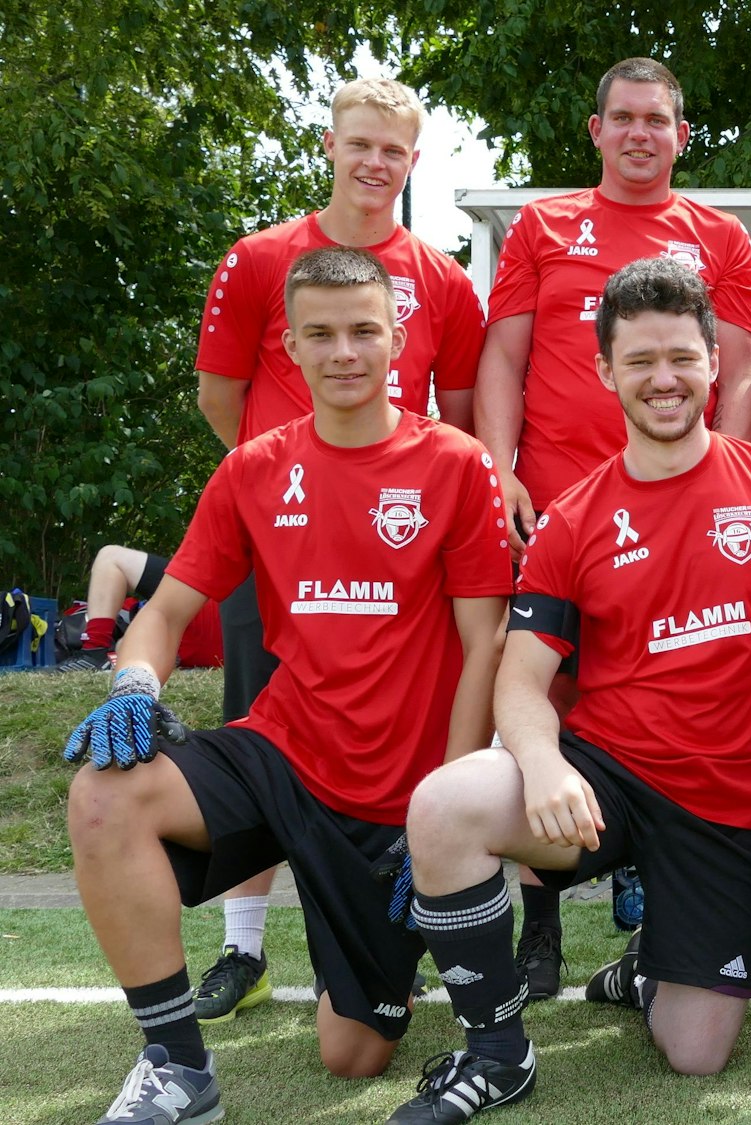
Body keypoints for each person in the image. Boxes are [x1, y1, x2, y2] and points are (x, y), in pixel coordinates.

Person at [64, 247, 510, 1125]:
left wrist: (441, 812)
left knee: (352, 1056)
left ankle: (389, 962)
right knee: (104, 792)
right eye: (321, 335)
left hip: (393, 802)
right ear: (291, 348)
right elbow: (162, 609)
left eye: (362, 331)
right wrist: (136, 684)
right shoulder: (255, 469)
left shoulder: (457, 465)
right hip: (280, 753)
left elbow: (483, 644)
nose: (344, 351)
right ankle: (177, 1067)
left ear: (396, 337)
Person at [387, 258, 751, 1122]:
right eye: (640, 361)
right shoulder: (574, 516)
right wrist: (544, 761)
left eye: (680, 356)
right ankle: (497, 1052)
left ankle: (650, 963)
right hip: (606, 779)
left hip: (728, 798)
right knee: (446, 804)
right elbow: (521, 676)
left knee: (695, 1054)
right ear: (605, 372)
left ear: (713, 360)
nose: (663, 379)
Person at [189, 76, 488, 1022]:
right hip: (281, 537)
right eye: (359, 144)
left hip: (400, 546)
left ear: (411, 161)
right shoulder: (261, 256)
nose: (375, 163)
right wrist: (284, 499)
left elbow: (464, 411)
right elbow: (219, 398)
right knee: (264, 734)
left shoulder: (438, 274)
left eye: (393, 151)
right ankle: (244, 949)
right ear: (329, 144)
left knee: (414, 715)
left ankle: (429, 904)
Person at [475, 56, 751, 994]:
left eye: (659, 120)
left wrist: (727, 483)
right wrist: (501, 469)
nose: (642, 133)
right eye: (625, 117)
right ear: (596, 130)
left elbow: (746, 371)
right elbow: (504, 359)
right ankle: (543, 925)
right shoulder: (544, 224)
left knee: (662, 695)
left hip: (685, 515)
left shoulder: (719, 237)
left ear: (683, 136)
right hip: (560, 512)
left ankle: (656, 906)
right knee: (548, 705)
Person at [53, 546, 223, 673]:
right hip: (228, 648)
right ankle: (95, 652)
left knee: (110, 558)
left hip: (209, 608)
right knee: (124, 647)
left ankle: (94, 650)